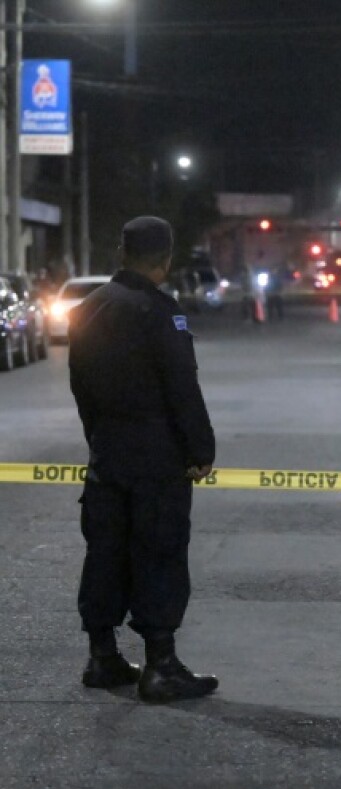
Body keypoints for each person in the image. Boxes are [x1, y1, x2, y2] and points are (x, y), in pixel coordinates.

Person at [68, 216, 220, 704]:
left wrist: (99, 437)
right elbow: (181, 386)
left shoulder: (87, 308)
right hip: (157, 456)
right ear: (166, 258)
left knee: (105, 549)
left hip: (108, 450)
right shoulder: (160, 311)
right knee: (159, 551)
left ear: (120, 251)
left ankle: (103, 656)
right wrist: (200, 448)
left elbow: (81, 388)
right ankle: (161, 666)